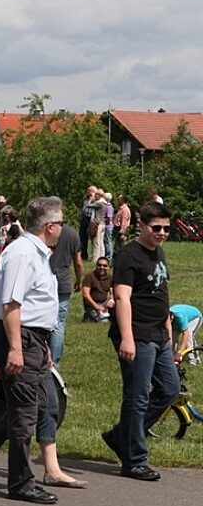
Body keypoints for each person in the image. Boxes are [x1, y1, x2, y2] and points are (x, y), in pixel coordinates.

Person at [0, 197, 64, 505]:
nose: (62, 228)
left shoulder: (36, 253)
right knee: (23, 414)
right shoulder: (22, 254)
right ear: (49, 226)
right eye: (60, 223)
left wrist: (40, 346)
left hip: (33, 339)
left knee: (36, 404)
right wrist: (18, 348)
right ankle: (20, 482)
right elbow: (11, 305)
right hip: (20, 337)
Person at [101, 200, 180, 482]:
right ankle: (134, 460)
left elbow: (162, 293)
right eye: (156, 228)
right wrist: (127, 338)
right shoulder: (128, 255)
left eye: (166, 229)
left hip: (159, 335)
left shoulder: (158, 253)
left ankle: (121, 435)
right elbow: (122, 297)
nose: (162, 233)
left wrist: (169, 333)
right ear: (143, 226)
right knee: (137, 396)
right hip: (137, 335)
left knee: (170, 389)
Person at [81, 257, 114, 322]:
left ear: (108, 267)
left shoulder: (109, 277)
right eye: (99, 265)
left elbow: (113, 292)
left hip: (104, 304)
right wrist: (97, 307)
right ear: (96, 266)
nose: (102, 267)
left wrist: (111, 300)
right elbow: (85, 294)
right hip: (92, 305)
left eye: (105, 266)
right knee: (104, 322)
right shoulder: (90, 276)